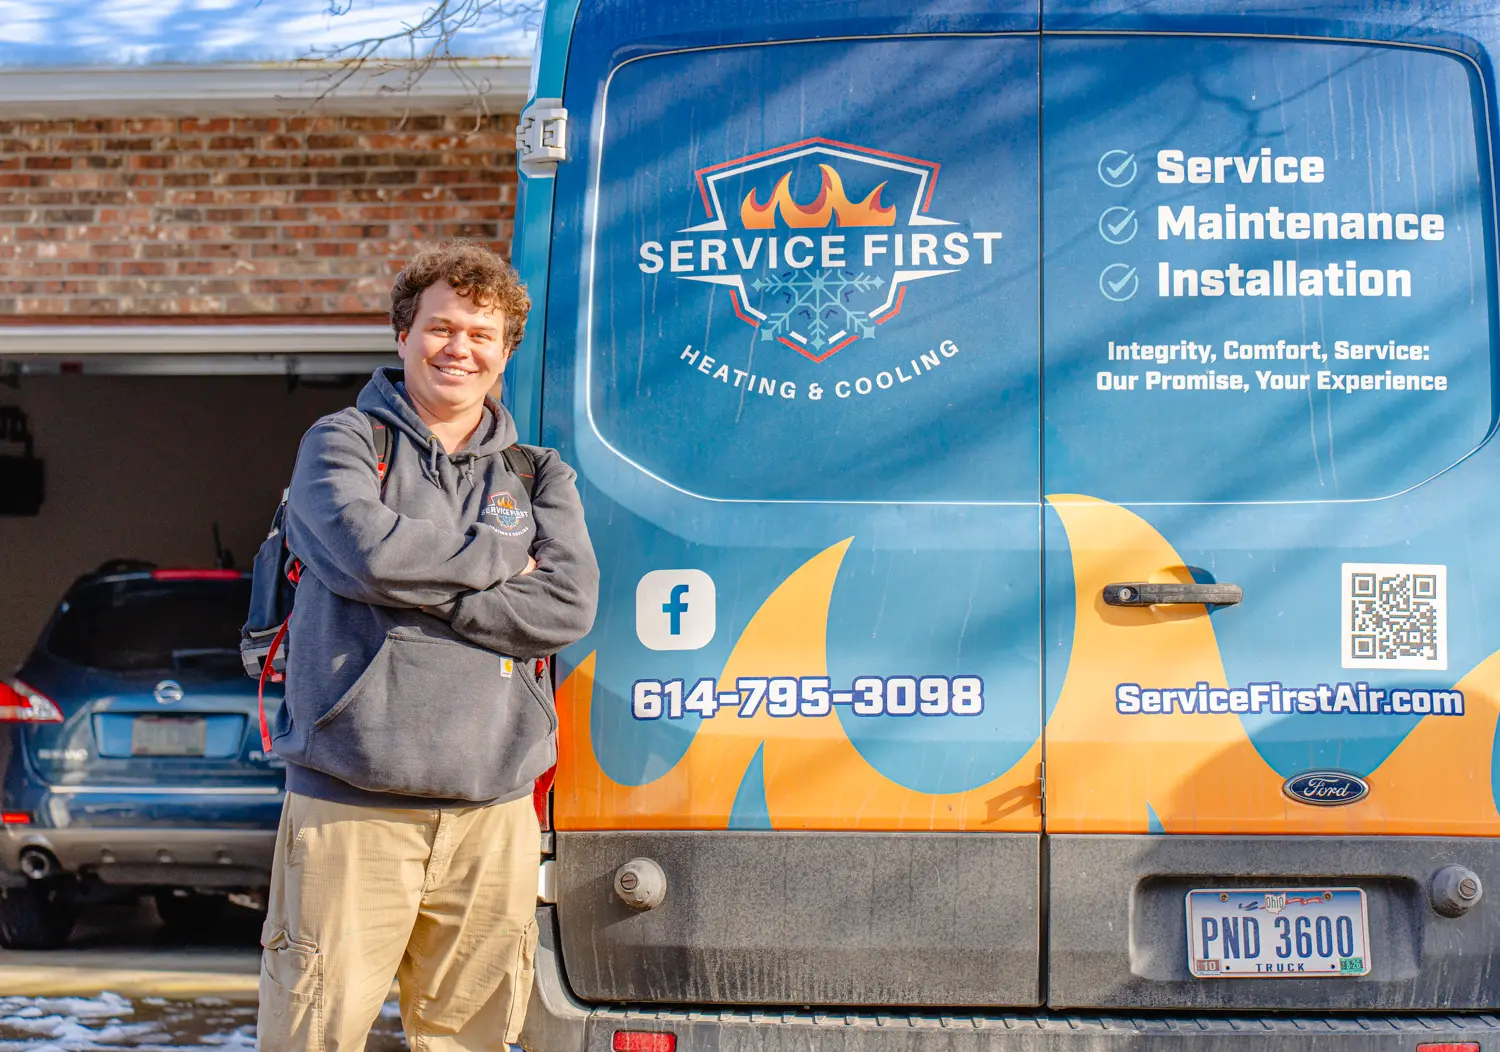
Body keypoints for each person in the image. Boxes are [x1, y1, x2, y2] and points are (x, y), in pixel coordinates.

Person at [257, 240, 598, 1052]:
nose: (460, 349)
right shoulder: (342, 444)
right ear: (403, 334)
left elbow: (567, 605)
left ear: (506, 350)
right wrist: (493, 564)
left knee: (468, 1040)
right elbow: (367, 554)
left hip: (492, 811)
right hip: (352, 804)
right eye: (442, 328)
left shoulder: (537, 473)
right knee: (314, 1034)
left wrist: (418, 591)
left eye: (482, 335)